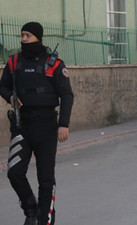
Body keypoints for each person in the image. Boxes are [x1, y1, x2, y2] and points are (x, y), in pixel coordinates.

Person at [0, 22, 74, 225]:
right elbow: (3, 86)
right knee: (14, 173)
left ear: (38, 38)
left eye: (28, 35)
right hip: (21, 125)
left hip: (47, 127)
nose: (23, 39)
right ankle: (31, 210)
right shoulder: (14, 62)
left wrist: (63, 124)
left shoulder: (55, 64)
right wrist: (11, 98)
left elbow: (66, 95)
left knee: (46, 179)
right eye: (22, 35)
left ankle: (45, 220)